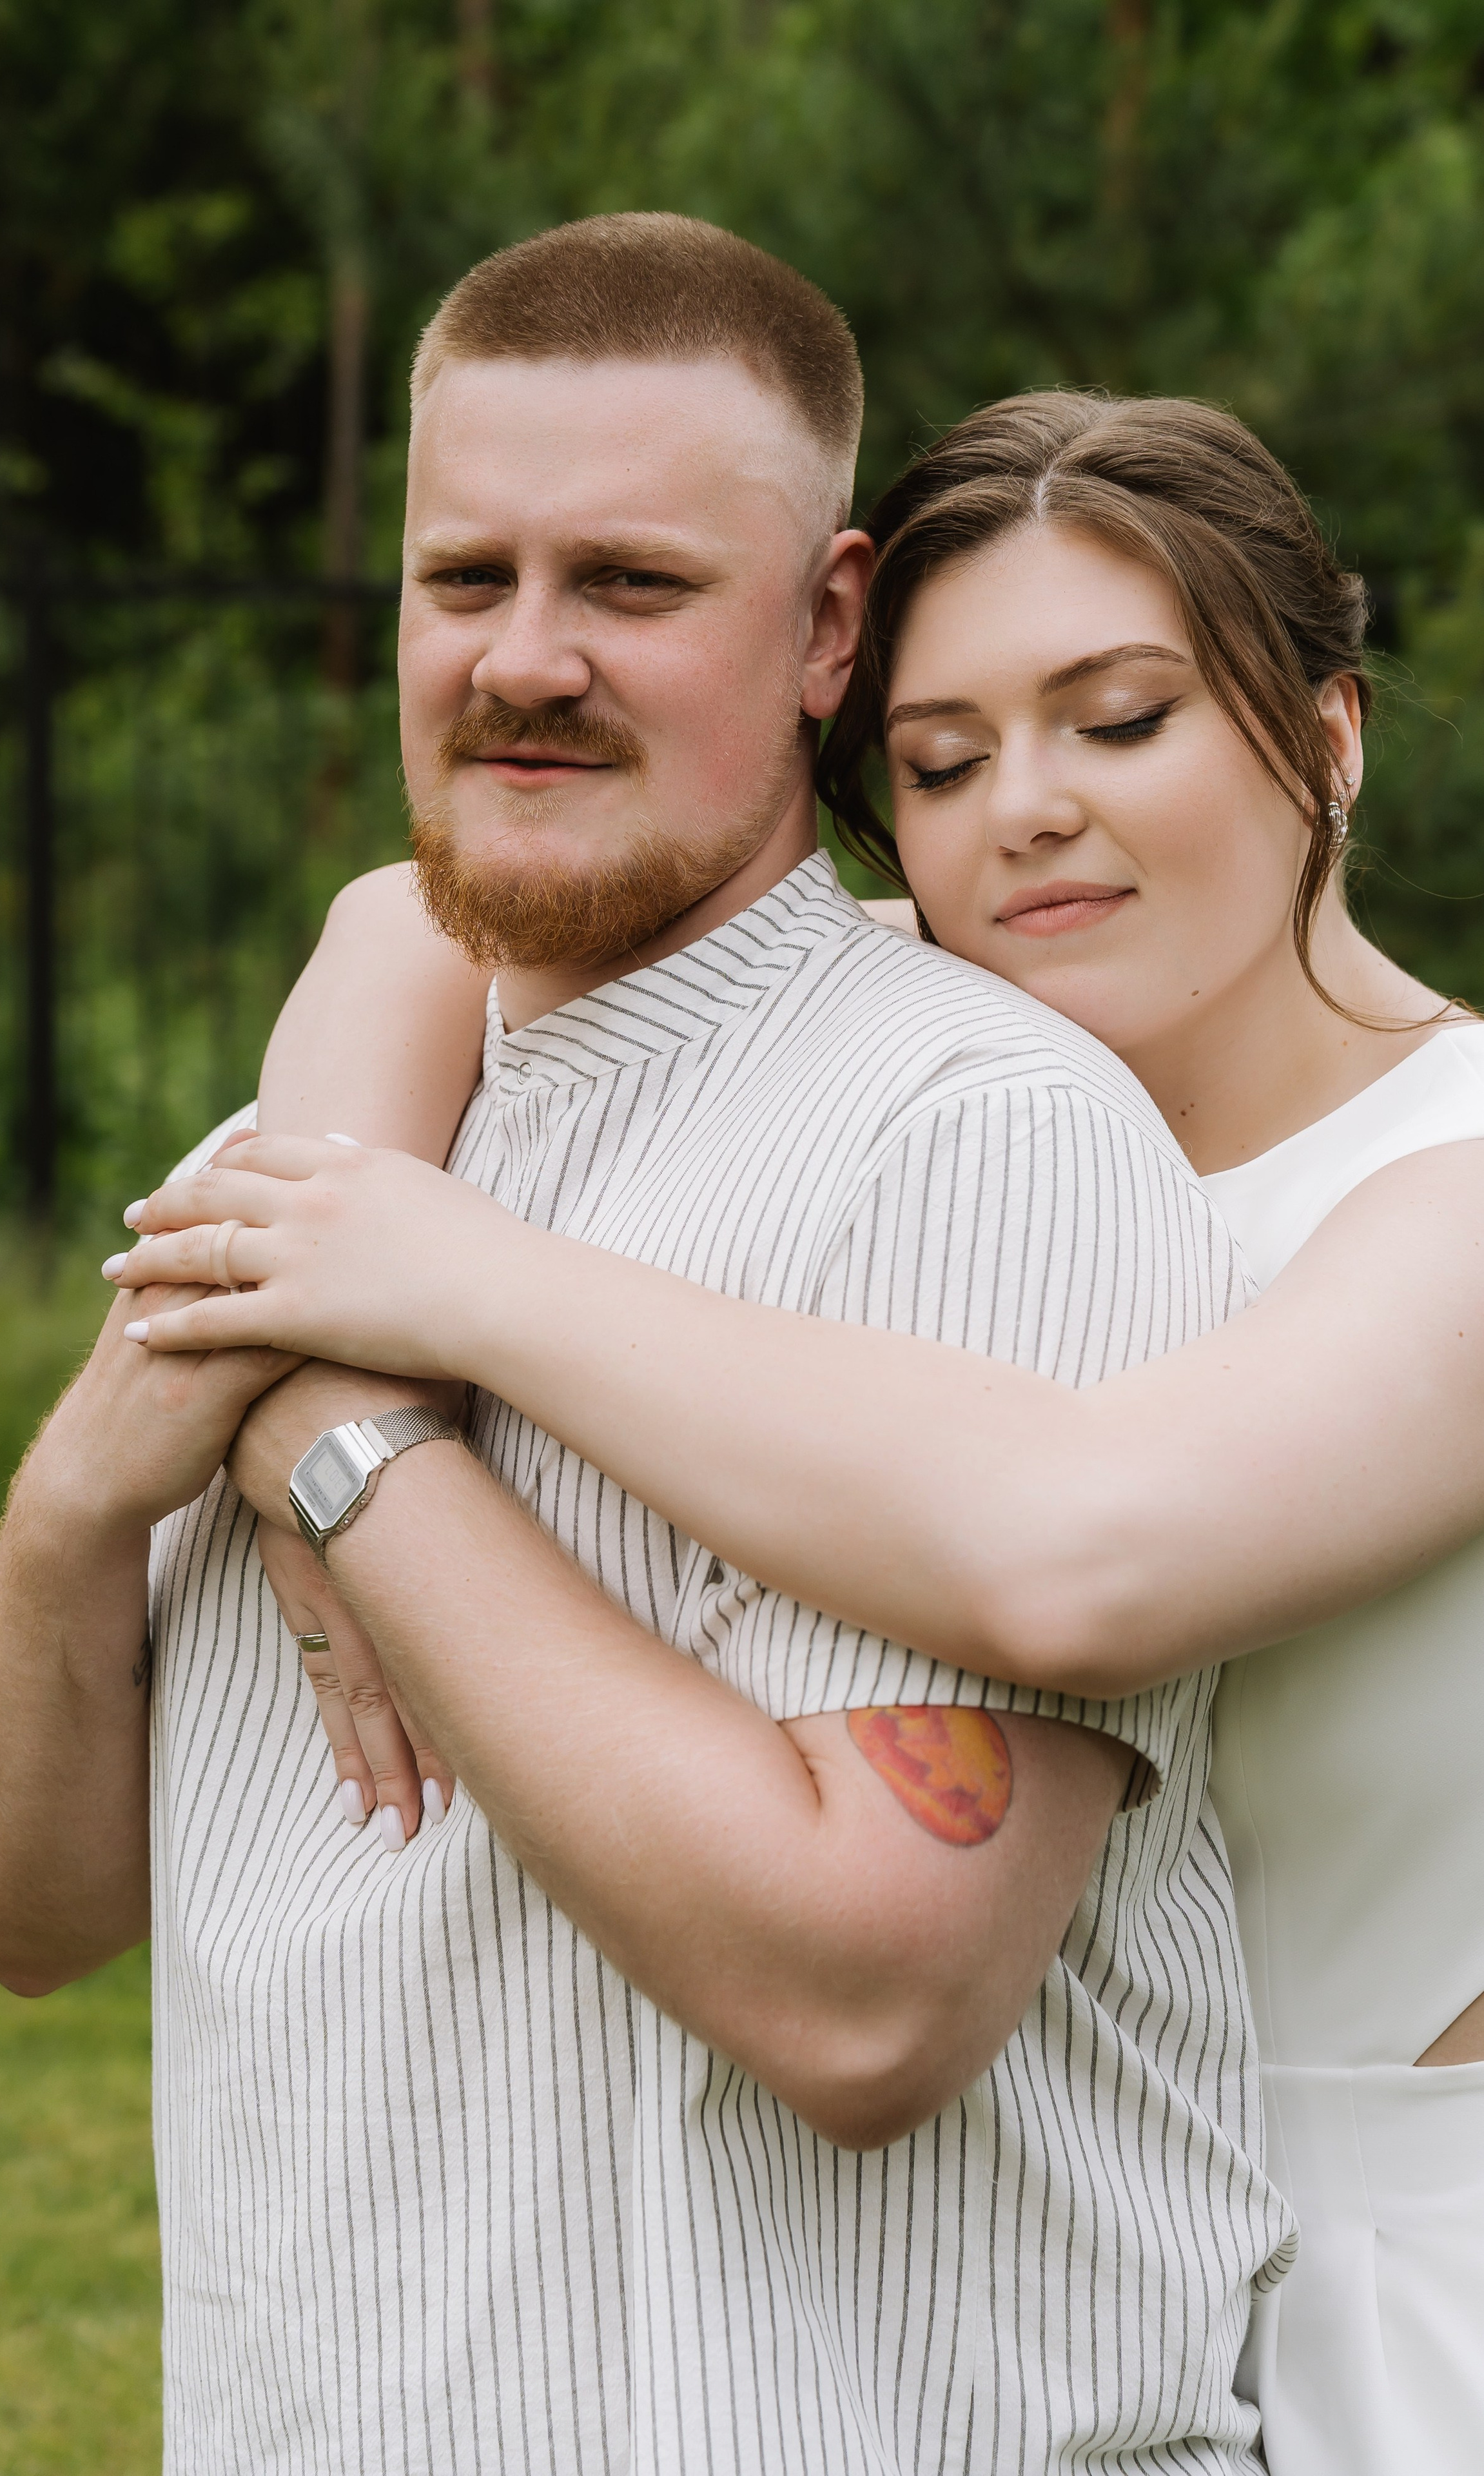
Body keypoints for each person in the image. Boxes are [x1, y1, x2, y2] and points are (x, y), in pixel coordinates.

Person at [0, 221, 1291, 2474]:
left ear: (831, 623)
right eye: (467, 580)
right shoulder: (311, 1150)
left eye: (632, 586)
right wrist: (84, 1497)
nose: (523, 660)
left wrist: (339, 1440)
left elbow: (867, 1997)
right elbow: (16, 1903)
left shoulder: (973, 1138)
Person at [125, 388, 1484, 2476]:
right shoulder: (930, 1083)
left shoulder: (1459, 1183)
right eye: (940, 763)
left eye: (1119, 721)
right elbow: (409, 925)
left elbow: (1078, 1561)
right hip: (992, 2275)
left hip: (1397, 2306)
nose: (1024, 810)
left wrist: (406, 1312)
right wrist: (345, 1339)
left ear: (1330, 736)